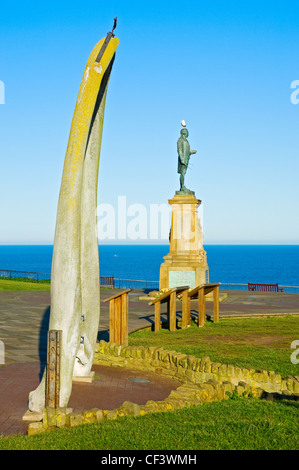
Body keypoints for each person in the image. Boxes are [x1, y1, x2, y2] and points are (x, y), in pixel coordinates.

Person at [177, 125, 197, 193]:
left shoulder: (186, 141)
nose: (188, 133)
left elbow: (186, 150)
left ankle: (182, 186)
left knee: (184, 173)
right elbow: (179, 150)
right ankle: (182, 187)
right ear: (184, 133)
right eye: (187, 132)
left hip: (186, 159)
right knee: (182, 173)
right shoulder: (180, 140)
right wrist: (182, 159)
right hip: (183, 159)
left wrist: (191, 152)